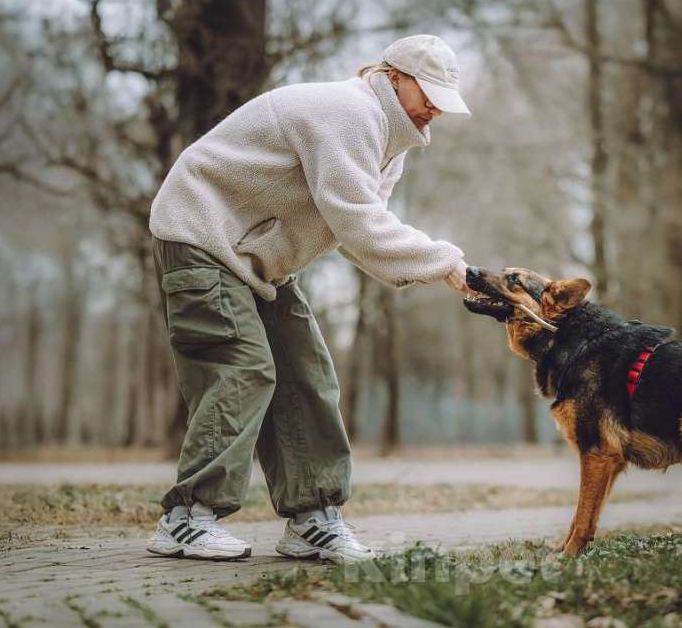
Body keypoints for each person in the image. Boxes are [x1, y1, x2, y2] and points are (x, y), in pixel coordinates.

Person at [145, 34, 472, 563]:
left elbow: (352, 234)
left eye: (443, 99)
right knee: (243, 367)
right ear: (393, 77)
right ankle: (187, 517)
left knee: (306, 373)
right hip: (202, 234)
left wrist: (442, 271)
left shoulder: (389, 148)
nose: (434, 107)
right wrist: (444, 260)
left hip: (258, 258)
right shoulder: (347, 112)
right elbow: (360, 221)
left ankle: (312, 519)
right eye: (427, 92)